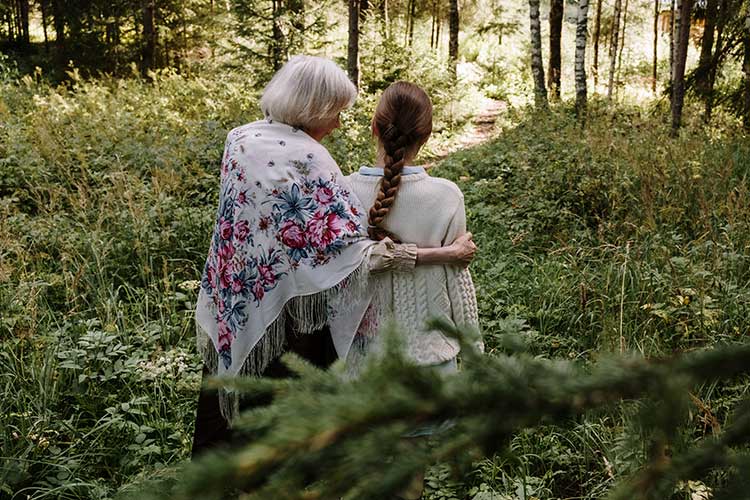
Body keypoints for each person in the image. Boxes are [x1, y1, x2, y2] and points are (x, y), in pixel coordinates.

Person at [191, 56, 477, 455]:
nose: (339, 124)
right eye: (336, 113)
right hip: (293, 318)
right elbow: (356, 254)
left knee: (236, 427)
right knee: (279, 428)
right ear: (312, 109)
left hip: (239, 300)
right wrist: (445, 253)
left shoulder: (240, 139)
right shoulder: (313, 159)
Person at [345, 80, 481, 500]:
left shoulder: (343, 189)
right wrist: (474, 351)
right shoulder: (446, 196)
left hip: (359, 360)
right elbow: (459, 278)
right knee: (410, 474)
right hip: (427, 359)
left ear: (374, 126)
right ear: (428, 134)